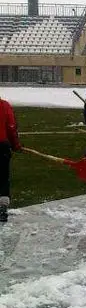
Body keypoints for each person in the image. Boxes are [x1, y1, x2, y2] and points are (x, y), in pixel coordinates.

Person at [0, 94, 22, 223]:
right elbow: (11, 127)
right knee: (3, 176)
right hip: (1, 146)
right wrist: (15, 145)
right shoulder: (4, 105)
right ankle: (2, 207)